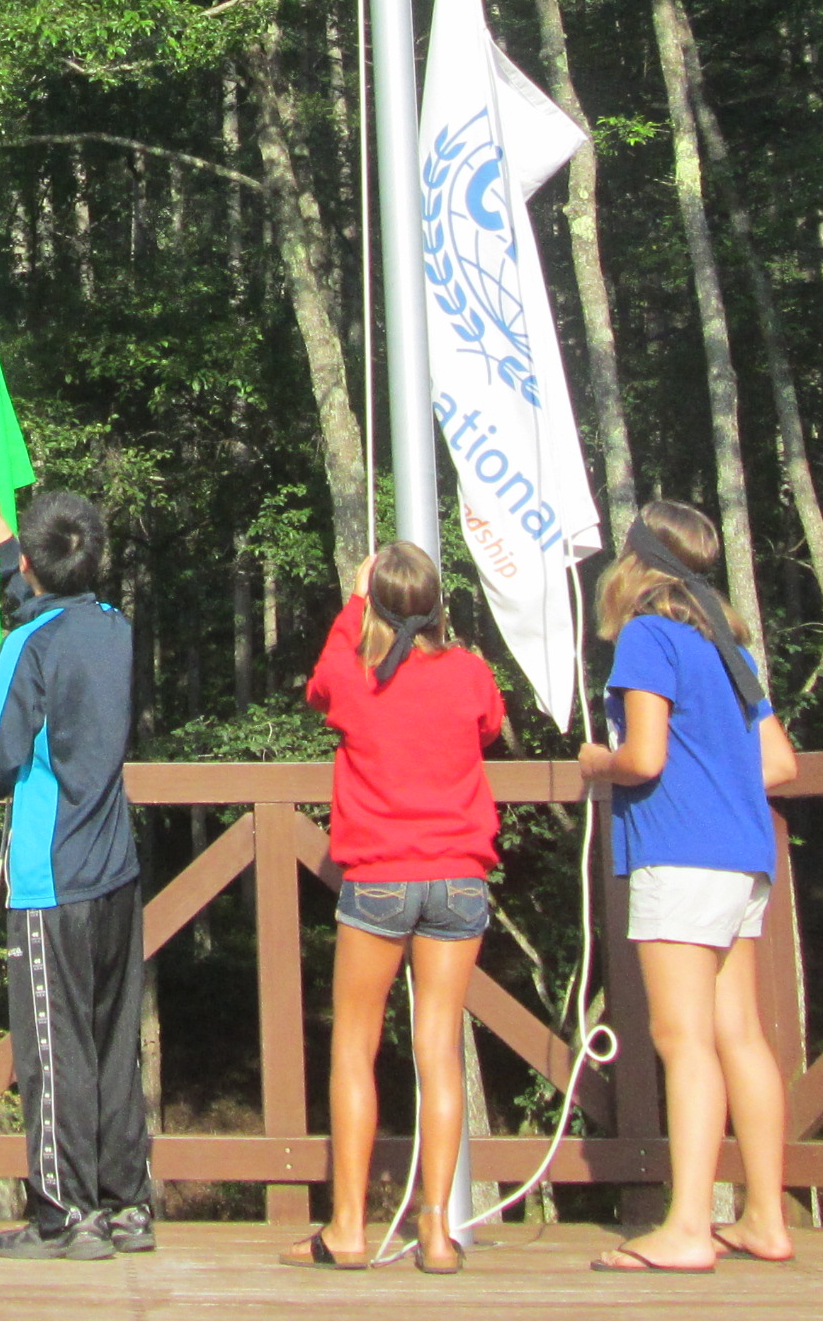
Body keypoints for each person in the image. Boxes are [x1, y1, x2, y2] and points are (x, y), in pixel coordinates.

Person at [577, 499, 800, 1275]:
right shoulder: (726, 644)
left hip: (681, 853)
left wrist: (592, 760)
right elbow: (780, 764)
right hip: (744, 856)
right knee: (740, 1035)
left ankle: (687, 1227)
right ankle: (766, 1218)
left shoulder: (649, 637)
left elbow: (642, 758)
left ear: (635, 564)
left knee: (682, 1040)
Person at [298, 541, 507, 1275]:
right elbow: (486, 727)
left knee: (354, 1046)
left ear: (376, 605)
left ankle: (350, 1227)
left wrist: (354, 601)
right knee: (438, 1054)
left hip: (382, 874)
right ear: (437, 606)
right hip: (459, 877)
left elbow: (320, 687)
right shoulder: (471, 671)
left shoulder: (356, 674)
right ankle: (439, 1231)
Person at [0, 476, 152, 1261]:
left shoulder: (25, 646)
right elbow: (55, 612)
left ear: (38, 571)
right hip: (115, 867)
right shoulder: (115, 628)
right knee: (112, 1042)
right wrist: (7, 541)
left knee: (53, 1045)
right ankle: (125, 1205)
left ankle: (65, 1216)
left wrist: (16, 563)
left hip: (51, 874)